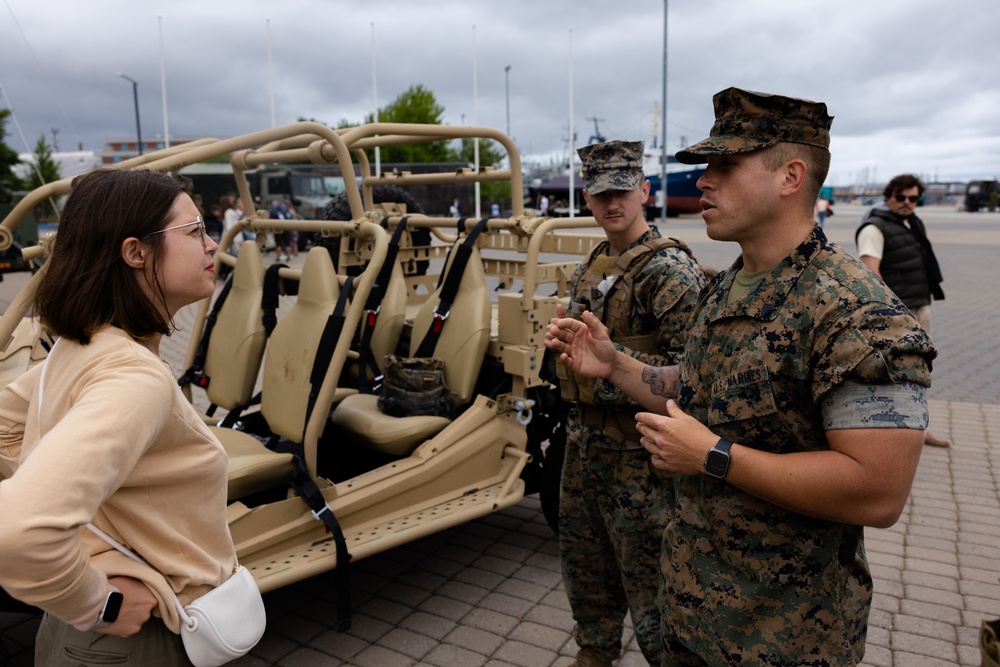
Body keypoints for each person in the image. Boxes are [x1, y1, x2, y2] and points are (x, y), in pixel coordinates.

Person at [545, 88, 937, 666]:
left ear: (790, 177)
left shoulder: (859, 315)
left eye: (726, 165)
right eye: (706, 166)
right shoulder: (728, 286)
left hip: (779, 636)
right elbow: (702, 388)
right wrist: (616, 366)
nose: (704, 181)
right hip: (691, 615)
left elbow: (878, 492)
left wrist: (713, 454)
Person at [0, 168, 240, 664]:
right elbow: (17, 530)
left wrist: (87, 523)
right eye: (194, 231)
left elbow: (4, 430)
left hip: (76, 640)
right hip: (133, 641)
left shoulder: (80, 345)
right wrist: (99, 603)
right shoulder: (135, 377)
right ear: (135, 252)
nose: (212, 244)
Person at [556, 140, 705, 667]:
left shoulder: (669, 273)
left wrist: (614, 364)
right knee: (586, 571)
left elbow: (696, 377)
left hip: (639, 462)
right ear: (587, 198)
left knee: (654, 598)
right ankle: (594, 654)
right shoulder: (596, 262)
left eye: (621, 192)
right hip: (585, 450)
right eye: (599, 195)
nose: (611, 205)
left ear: (644, 191)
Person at [857, 174, 948, 447]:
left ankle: (919, 429)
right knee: (895, 376)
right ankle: (892, 438)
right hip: (897, 318)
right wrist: (894, 315)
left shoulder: (912, 223)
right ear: (888, 197)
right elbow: (871, 275)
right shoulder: (874, 228)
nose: (908, 203)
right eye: (901, 197)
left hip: (921, 307)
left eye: (913, 198)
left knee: (922, 374)